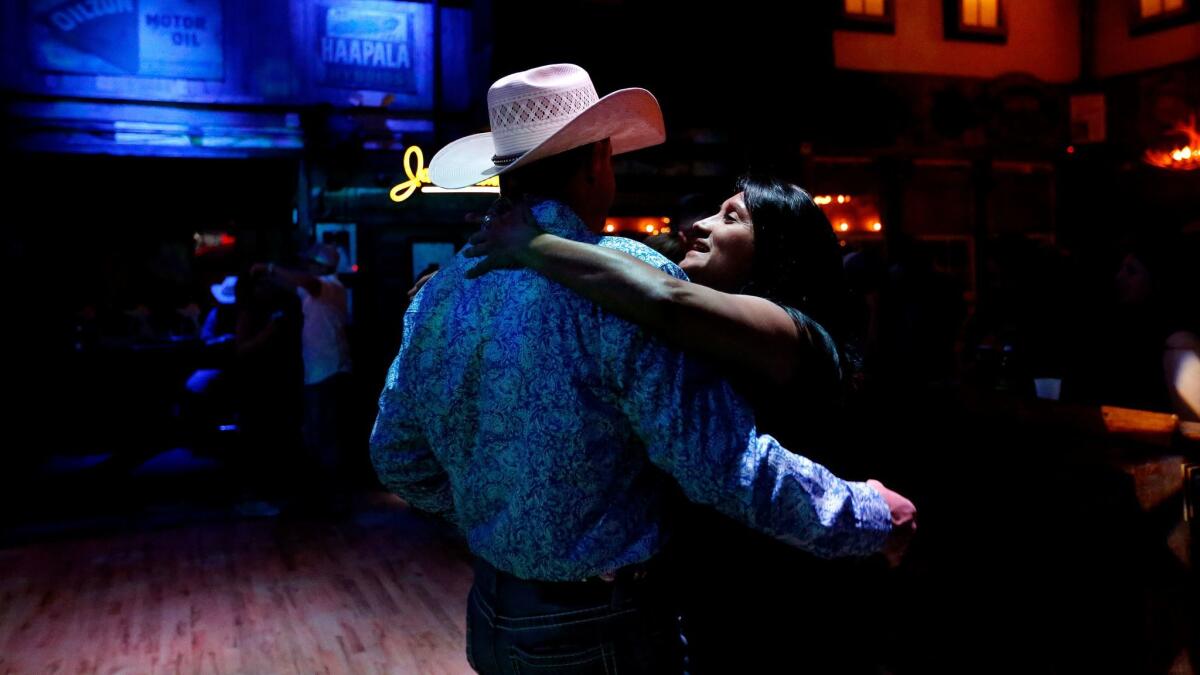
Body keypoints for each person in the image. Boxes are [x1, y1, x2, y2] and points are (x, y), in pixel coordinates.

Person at [369, 63, 915, 674]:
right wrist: (865, 517)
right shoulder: (623, 277)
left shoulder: (442, 291)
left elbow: (397, 456)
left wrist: (496, 510)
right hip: (601, 621)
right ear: (597, 160)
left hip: (493, 610)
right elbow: (719, 464)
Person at [465, 177, 901, 672]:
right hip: (721, 585)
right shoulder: (715, 330)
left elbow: (668, 299)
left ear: (779, 248)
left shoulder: (795, 330)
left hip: (783, 589)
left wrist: (533, 244)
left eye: (731, 217)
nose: (700, 225)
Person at [250, 244, 353, 488]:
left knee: (324, 435)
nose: (305, 267)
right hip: (321, 370)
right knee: (317, 432)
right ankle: (326, 491)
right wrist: (269, 277)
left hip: (329, 370)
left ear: (320, 266)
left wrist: (271, 267)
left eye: (309, 264)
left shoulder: (330, 285)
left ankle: (332, 492)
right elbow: (297, 285)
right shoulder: (315, 290)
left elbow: (305, 282)